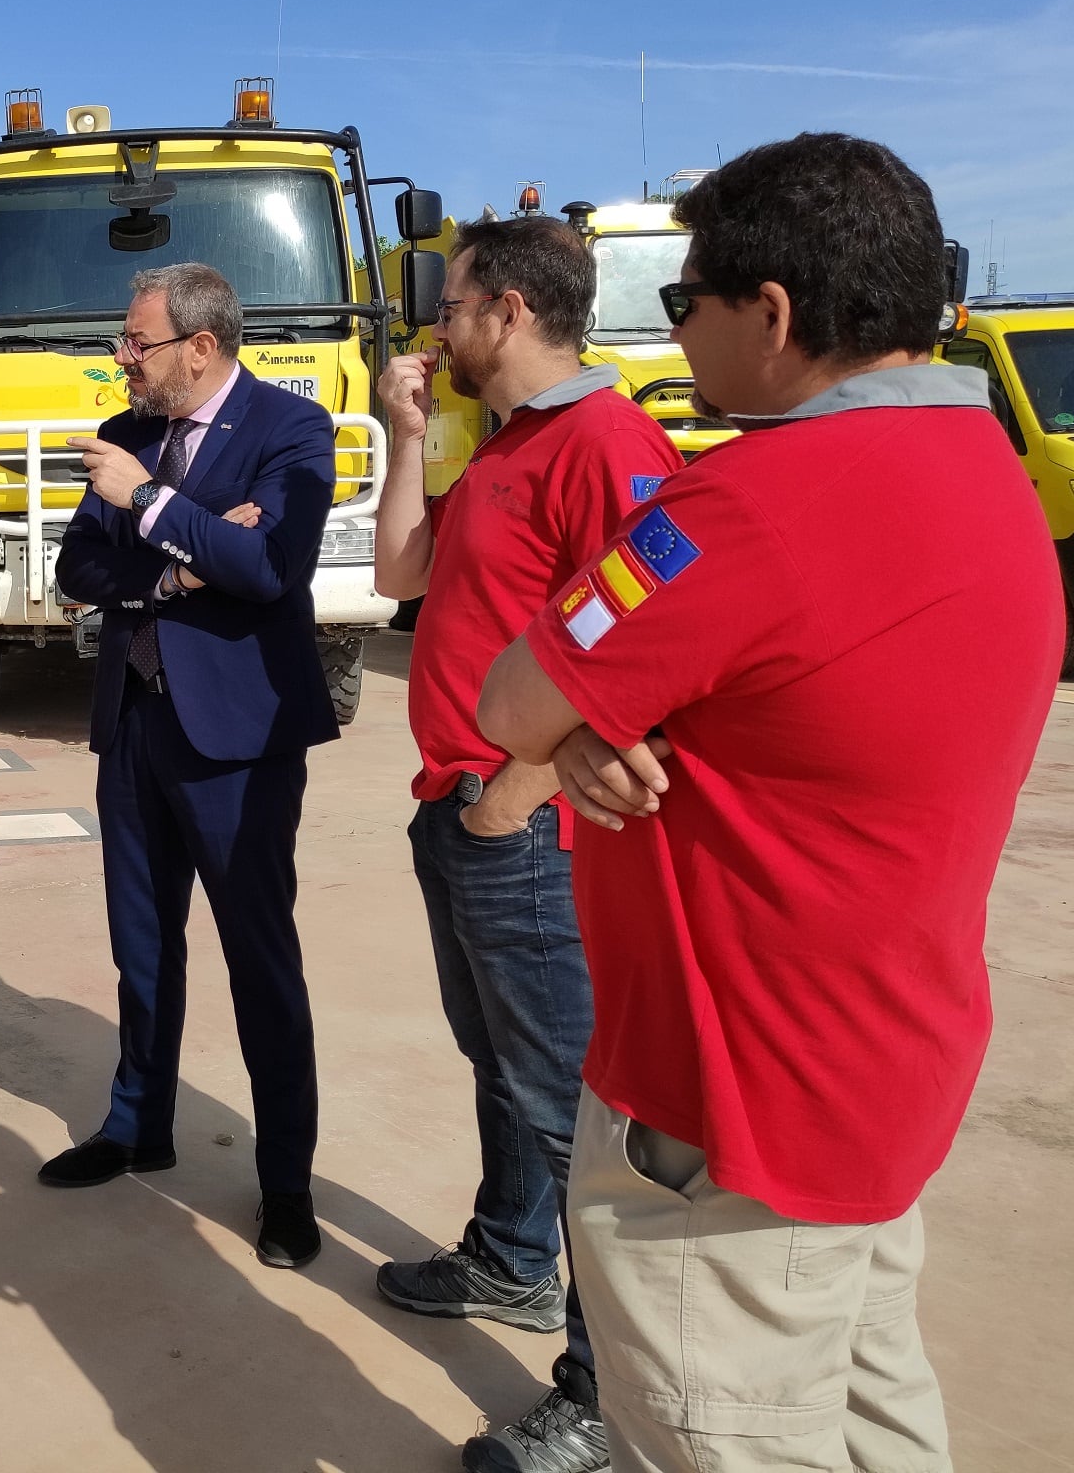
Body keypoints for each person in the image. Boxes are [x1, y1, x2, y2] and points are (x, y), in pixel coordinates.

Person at [476, 134, 1060, 1473]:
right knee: (870, 1416)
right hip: (877, 1074)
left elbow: (514, 704)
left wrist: (584, 720)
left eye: (686, 302)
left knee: (719, 1432)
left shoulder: (739, 502)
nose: (676, 333)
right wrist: (608, 721)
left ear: (774, 315)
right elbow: (812, 707)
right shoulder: (985, 468)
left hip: (726, 1112)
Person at [373, 218, 681, 1473]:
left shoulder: (606, 442)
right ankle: (509, 1257)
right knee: (499, 1060)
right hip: (457, 807)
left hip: (531, 829)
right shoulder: (505, 443)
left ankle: (605, 1396)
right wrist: (404, 436)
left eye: (448, 306)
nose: (433, 327)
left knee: (565, 1109)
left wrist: (518, 785)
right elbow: (400, 568)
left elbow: (654, 628)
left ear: (506, 310)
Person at [47, 260, 340, 1268]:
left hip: (237, 740)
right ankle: (138, 1124)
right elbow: (78, 568)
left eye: (136, 343)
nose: (120, 358)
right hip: (134, 719)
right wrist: (183, 564)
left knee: (259, 957)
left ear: (199, 346)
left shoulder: (290, 429)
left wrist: (148, 504)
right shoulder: (126, 432)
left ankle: (285, 1183)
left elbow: (268, 567)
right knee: (141, 945)